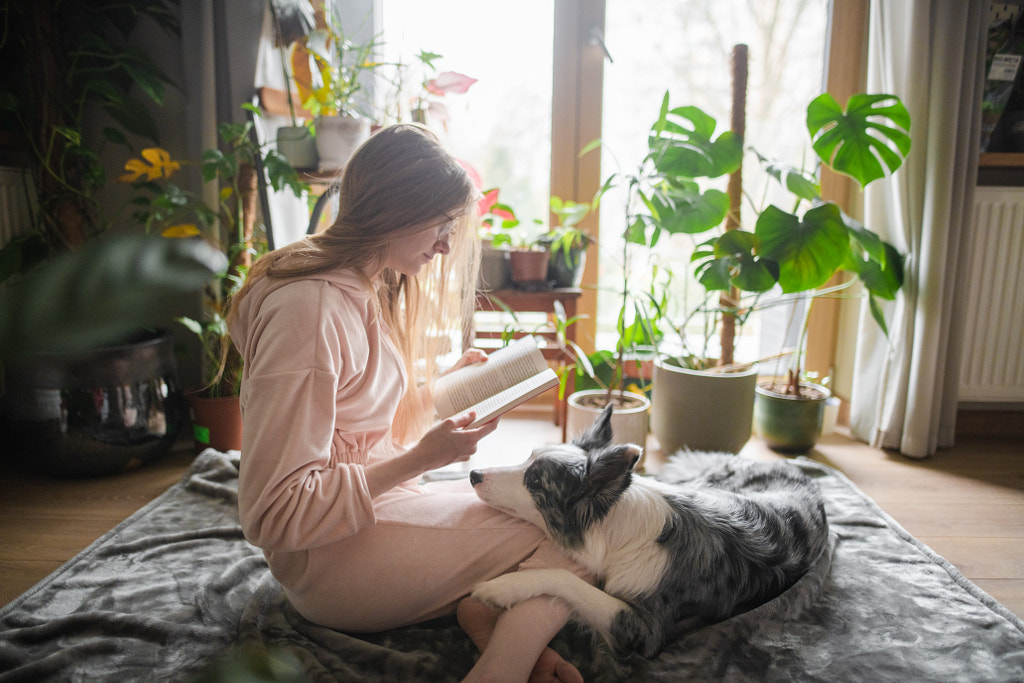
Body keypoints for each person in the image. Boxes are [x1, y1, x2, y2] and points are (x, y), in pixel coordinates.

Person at [227, 123, 588, 682]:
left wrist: (441, 393)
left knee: (564, 511)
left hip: (367, 521)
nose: (445, 246)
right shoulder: (309, 311)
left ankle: (486, 616)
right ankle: (502, 668)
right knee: (580, 527)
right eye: (440, 227)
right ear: (394, 211)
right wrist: (423, 458)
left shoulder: (355, 283)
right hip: (331, 564)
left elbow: (356, 424)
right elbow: (274, 513)